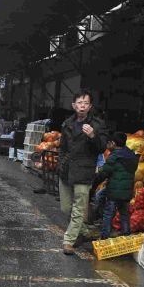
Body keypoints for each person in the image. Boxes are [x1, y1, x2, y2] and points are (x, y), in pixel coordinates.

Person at [58, 90, 108, 255]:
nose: (82, 106)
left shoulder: (97, 124)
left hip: (84, 170)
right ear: (74, 105)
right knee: (66, 208)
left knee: (79, 207)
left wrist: (93, 136)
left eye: (86, 103)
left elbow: (101, 148)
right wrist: (60, 164)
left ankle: (69, 241)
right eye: (79, 103)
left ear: (90, 106)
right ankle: (84, 231)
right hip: (66, 170)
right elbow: (62, 147)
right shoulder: (67, 124)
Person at [96, 132, 139, 239]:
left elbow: (105, 173)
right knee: (124, 213)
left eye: (108, 143)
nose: (107, 146)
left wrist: (94, 181)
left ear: (113, 143)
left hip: (114, 192)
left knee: (108, 213)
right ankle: (126, 235)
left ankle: (105, 236)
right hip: (127, 191)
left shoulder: (114, 156)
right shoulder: (132, 155)